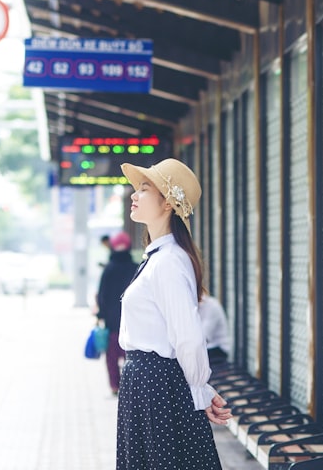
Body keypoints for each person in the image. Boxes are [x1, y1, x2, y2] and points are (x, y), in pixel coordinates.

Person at [116, 157, 231, 470]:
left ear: (167, 202)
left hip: (158, 385)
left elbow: (188, 336)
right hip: (149, 383)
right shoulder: (158, 258)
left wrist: (199, 388)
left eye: (144, 189)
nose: (133, 196)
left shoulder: (168, 261)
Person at [95, 231, 136, 395]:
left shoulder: (109, 269)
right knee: (131, 355)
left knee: (112, 356)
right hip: (132, 322)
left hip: (113, 322)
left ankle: (115, 385)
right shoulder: (135, 267)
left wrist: (101, 315)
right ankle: (130, 385)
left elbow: (102, 295)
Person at [198, 294, 231, 370]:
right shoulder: (197, 307)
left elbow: (203, 338)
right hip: (207, 349)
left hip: (217, 349)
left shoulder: (211, 306)